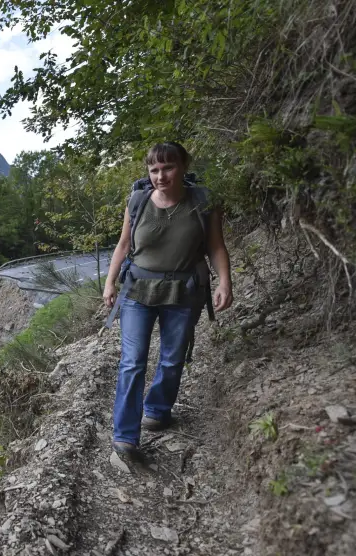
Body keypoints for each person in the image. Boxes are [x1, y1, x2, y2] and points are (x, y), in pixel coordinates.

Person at [102, 142, 233, 457]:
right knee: (132, 363)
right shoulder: (137, 202)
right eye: (154, 170)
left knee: (173, 359)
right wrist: (110, 282)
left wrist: (225, 281)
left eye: (168, 167)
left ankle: (158, 410)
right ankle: (125, 437)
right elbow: (122, 245)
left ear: (183, 166)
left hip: (183, 292)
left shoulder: (203, 204)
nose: (161, 175)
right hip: (138, 291)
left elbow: (216, 246)